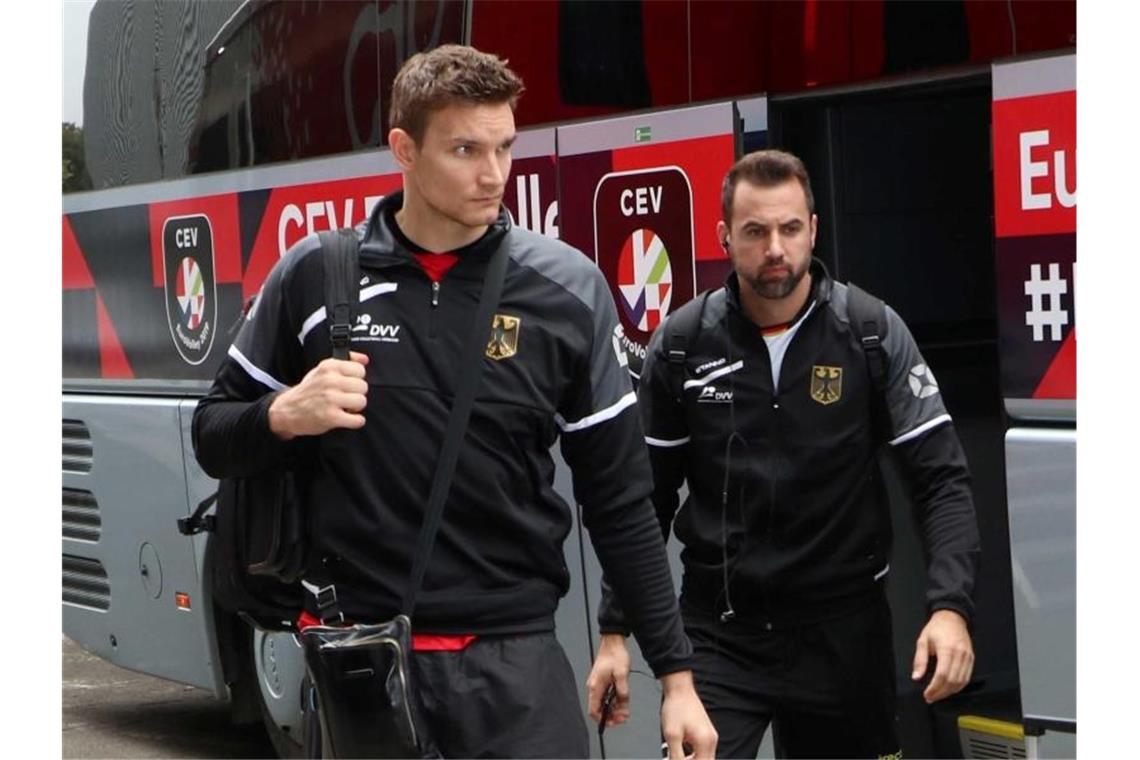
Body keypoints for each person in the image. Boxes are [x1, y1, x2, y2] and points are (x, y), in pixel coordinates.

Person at [192, 44, 716, 759]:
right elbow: (212, 434)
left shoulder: (566, 290)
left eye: (504, 147)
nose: (493, 173)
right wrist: (284, 415)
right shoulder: (317, 275)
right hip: (366, 669)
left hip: (516, 672)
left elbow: (621, 502)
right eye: (466, 149)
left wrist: (678, 677)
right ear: (403, 149)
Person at [586, 149, 981, 758]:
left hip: (844, 636)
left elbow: (941, 481)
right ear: (724, 237)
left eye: (790, 228)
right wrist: (615, 631)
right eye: (755, 231)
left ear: (813, 230)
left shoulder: (870, 332)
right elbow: (645, 502)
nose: (776, 247)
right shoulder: (683, 345)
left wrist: (949, 607)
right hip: (720, 635)